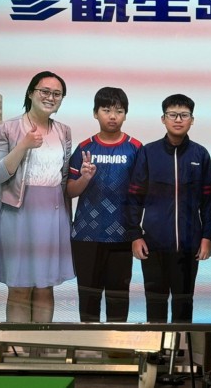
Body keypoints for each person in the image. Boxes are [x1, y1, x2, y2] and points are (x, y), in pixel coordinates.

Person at [0, 70, 73, 323]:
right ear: (31, 93)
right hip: (17, 213)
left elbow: (64, 178)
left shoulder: (63, 131)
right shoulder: (8, 128)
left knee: (45, 287)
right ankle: (18, 345)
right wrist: (23, 145)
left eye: (57, 94)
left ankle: (41, 345)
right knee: (19, 288)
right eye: (45, 91)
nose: (50, 97)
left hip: (53, 214)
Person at [125, 94, 211, 323]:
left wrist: (207, 237)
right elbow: (135, 197)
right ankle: (156, 346)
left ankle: (181, 345)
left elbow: (208, 200)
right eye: (172, 115)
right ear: (163, 119)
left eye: (184, 115)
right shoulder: (148, 152)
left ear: (192, 120)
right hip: (153, 245)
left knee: (184, 305)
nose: (178, 120)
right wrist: (135, 236)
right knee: (155, 304)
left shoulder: (200, 154)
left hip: (189, 245)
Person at [67, 87, 141, 322]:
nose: (112, 116)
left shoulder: (136, 148)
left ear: (125, 115)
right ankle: (89, 343)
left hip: (122, 236)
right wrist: (85, 178)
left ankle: (117, 344)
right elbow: (69, 191)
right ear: (95, 113)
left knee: (118, 299)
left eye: (119, 111)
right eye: (106, 110)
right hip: (86, 236)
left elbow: (142, 193)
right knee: (88, 300)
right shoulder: (84, 148)